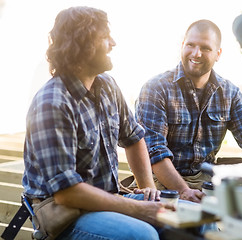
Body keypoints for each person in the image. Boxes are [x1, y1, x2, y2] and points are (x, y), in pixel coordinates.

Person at [22, 6, 173, 240]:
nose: (113, 43)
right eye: (105, 37)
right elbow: (66, 193)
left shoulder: (107, 86)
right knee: (142, 235)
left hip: (108, 199)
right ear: (82, 45)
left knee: (188, 221)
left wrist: (148, 191)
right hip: (65, 215)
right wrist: (139, 209)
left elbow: (133, 138)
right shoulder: (52, 103)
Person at [135, 19, 242, 203]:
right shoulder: (156, 88)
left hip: (207, 183)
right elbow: (154, 152)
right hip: (161, 183)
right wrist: (184, 191)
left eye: (205, 48)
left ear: (218, 54)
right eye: (190, 45)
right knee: (201, 225)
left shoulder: (230, 93)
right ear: (182, 46)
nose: (196, 53)